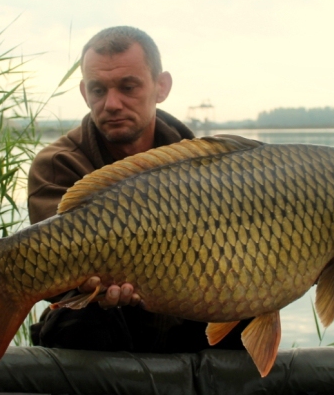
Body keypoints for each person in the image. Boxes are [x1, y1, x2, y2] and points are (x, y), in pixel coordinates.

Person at [28, 26, 245, 352]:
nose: (112, 103)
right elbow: (54, 274)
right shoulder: (58, 163)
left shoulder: (210, 165)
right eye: (98, 90)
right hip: (104, 322)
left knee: (246, 308)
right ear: (85, 93)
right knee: (77, 321)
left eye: (128, 87)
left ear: (161, 86)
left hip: (191, 308)